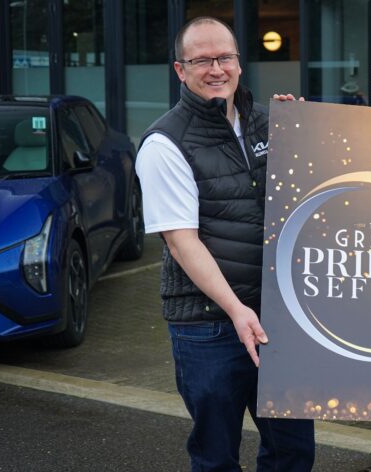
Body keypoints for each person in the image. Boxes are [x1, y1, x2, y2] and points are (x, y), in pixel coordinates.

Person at [135, 17, 315, 471]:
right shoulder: (165, 143)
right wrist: (238, 311)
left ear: (239, 62)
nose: (216, 69)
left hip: (278, 318)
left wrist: (306, 132)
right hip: (209, 326)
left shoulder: (265, 122)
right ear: (180, 70)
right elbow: (182, 242)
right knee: (216, 457)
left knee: (293, 452)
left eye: (225, 58)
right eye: (202, 60)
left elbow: (309, 199)